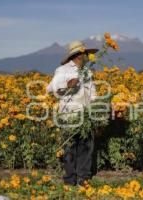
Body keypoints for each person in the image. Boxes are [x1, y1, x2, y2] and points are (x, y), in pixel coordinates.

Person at [46, 40, 98, 186]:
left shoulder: (87, 71)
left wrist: (96, 106)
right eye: (86, 54)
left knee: (87, 147)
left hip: (86, 115)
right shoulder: (62, 70)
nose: (88, 57)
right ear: (78, 55)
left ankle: (84, 180)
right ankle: (70, 180)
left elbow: (91, 91)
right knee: (70, 148)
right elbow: (50, 88)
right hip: (69, 115)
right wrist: (66, 84)